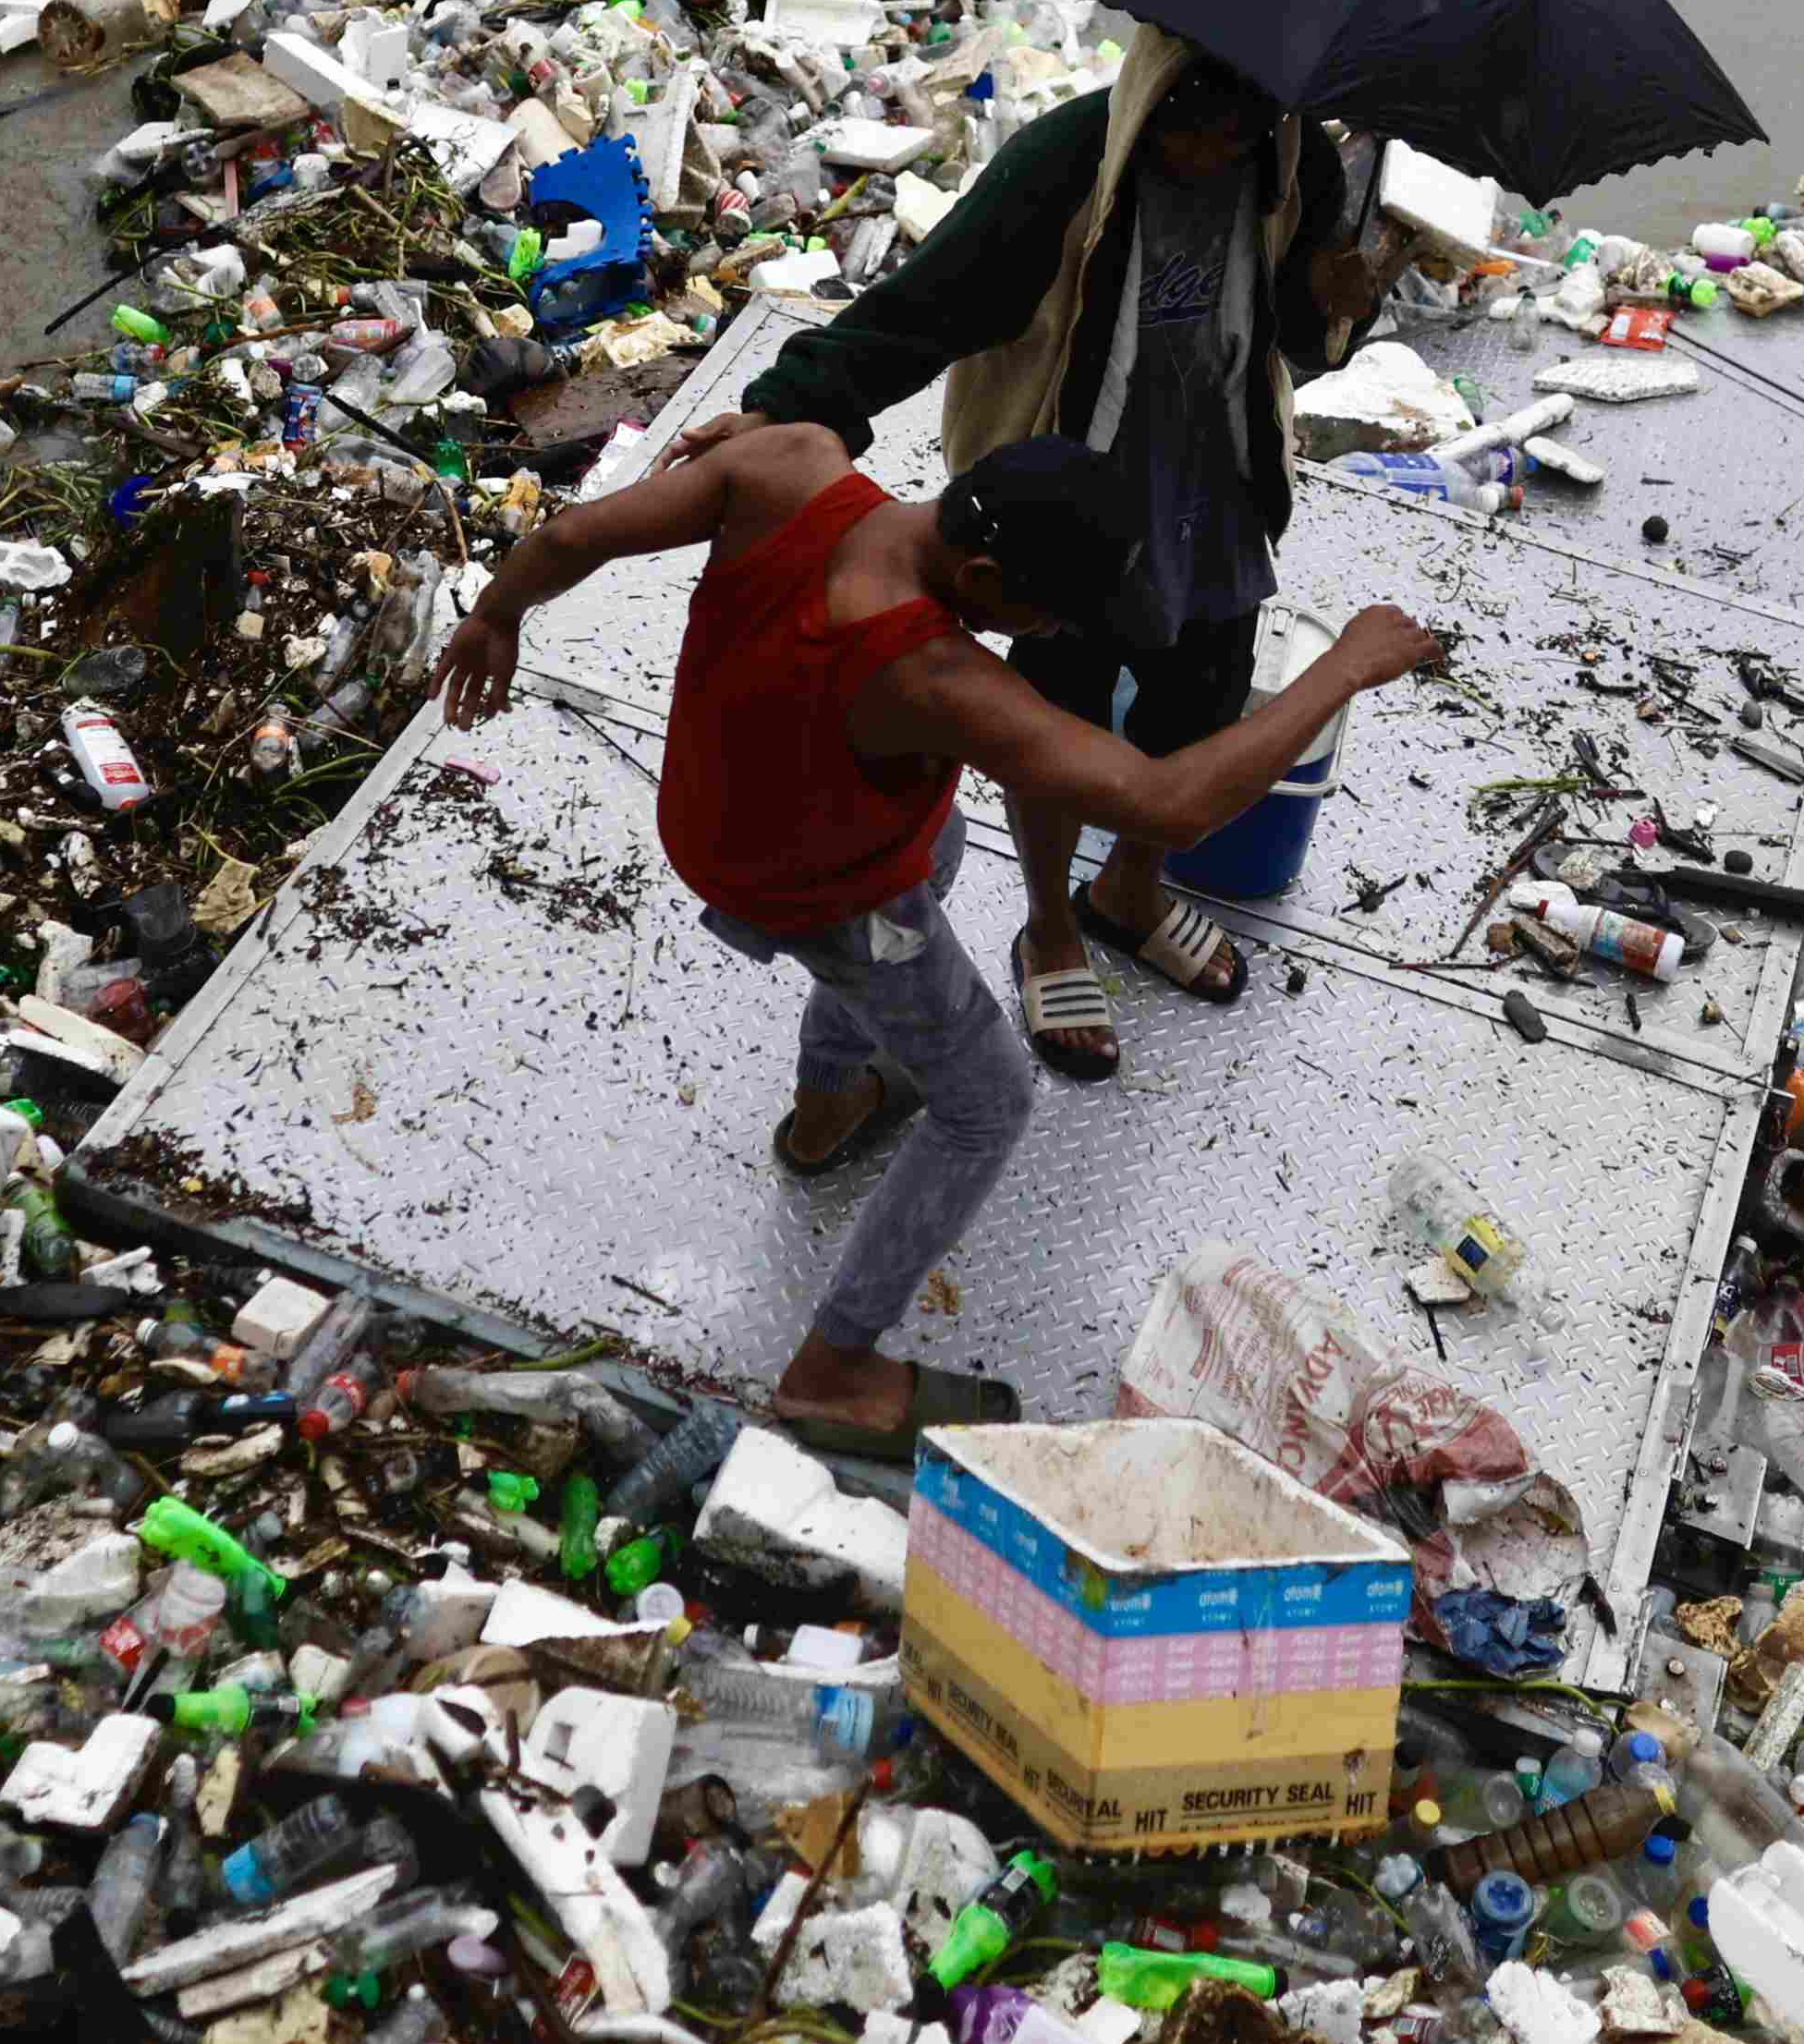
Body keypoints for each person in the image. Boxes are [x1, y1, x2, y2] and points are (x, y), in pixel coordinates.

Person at [435, 420, 1440, 1450]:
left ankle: (826, 1112)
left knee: (942, 839)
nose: (1051, 637)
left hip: (710, 806)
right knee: (987, 1098)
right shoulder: (931, 677)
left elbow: (568, 539)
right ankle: (831, 1369)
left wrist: (495, 618)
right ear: (982, 573)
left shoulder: (788, 462)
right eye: (1046, 618)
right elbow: (1165, 804)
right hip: (810, 882)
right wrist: (1341, 670)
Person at [672, 26, 1414, 1083]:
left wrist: (1342, 297)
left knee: (1198, 693)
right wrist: (789, 406)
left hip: (1213, 479)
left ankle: (1127, 895)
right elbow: (925, 305)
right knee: (1059, 713)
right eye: (1194, 130)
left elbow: (1294, 336)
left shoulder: (1291, 162)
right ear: (1157, 97)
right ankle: (1048, 926)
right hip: (1077, 488)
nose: (1215, 153)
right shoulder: (1067, 164)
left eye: (1241, 130)